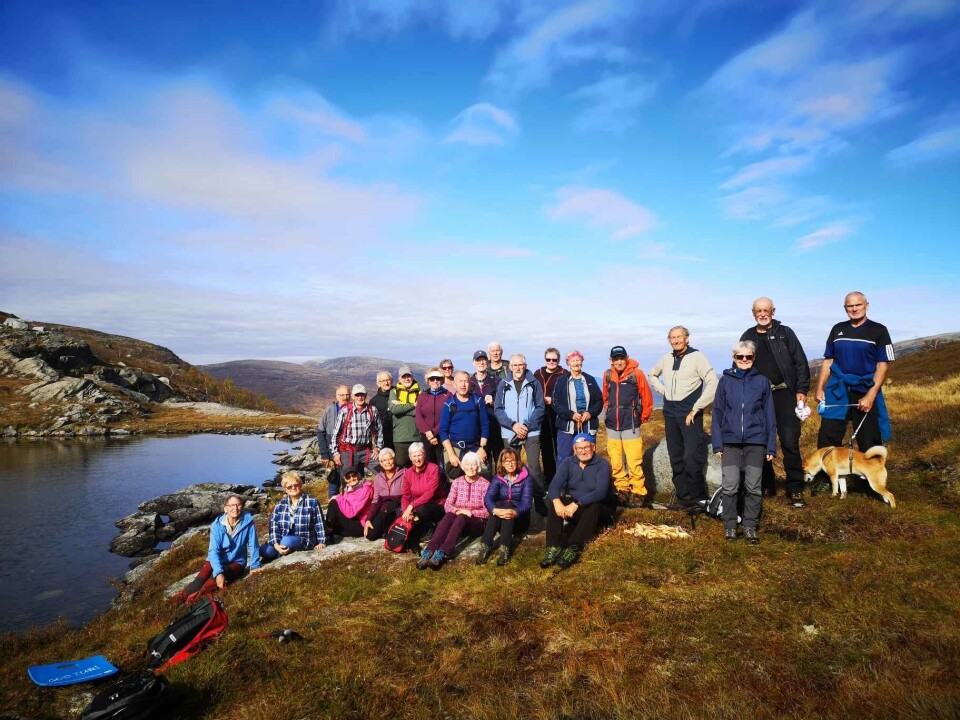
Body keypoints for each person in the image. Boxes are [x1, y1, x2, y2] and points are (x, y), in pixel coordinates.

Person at [740, 297, 811, 507]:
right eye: (758, 311)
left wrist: (801, 390)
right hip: (758, 397)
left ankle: (795, 488)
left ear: (773, 311)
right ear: (753, 313)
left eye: (766, 310)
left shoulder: (785, 333)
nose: (762, 314)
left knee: (789, 440)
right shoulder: (748, 335)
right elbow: (741, 363)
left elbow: (800, 362)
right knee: (759, 442)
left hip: (784, 393)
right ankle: (767, 485)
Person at [711, 341, 777, 545]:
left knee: (753, 487)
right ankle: (730, 526)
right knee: (730, 486)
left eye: (748, 357)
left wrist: (771, 446)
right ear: (734, 358)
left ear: (754, 358)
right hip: (730, 443)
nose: (744, 360)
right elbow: (717, 413)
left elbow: (769, 415)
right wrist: (717, 444)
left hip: (756, 443)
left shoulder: (762, 382)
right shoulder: (725, 381)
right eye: (740, 357)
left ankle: (750, 526)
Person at [648, 327, 718, 513]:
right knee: (675, 456)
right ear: (669, 340)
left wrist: (697, 407)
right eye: (672, 338)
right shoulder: (666, 358)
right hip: (670, 411)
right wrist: (661, 389)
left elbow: (712, 382)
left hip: (690, 412)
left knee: (691, 456)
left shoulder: (697, 357)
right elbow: (652, 374)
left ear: (687, 338)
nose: (676, 340)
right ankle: (683, 499)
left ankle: (699, 499)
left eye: (679, 337)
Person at [815, 291, 894, 452]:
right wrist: (819, 388)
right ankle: (827, 475)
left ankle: (869, 476)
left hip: (864, 389)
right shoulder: (837, 329)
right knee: (828, 435)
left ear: (866, 306)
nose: (854, 308)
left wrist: (871, 395)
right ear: (845, 308)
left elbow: (883, 365)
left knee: (868, 437)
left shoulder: (879, 330)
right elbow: (828, 360)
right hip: (838, 389)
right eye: (850, 306)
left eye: (858, 304)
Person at [540, 433, 614, 570]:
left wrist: (576, 504)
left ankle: (574, 547)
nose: (583, 451)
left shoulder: (602, 464)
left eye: (586, 447)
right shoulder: (568, 463)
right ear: (574, 449)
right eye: (579, 448)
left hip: (600, 511)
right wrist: (557, 502)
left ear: (594, 447)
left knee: (594, 505)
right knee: (555, 500)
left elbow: (600, 492)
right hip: (578, 510)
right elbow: (554, 486)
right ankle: (553, 546)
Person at [177, 494, 261, 602]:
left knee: (210, 584)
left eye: (238, 505)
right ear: (225, 508)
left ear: (242, 507)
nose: (235, 508)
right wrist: (218, 572)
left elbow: (253, 545)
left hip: (237, 562)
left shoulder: (248, 521)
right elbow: (213, 551)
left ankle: (191, 603)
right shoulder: (217, 525)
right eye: (231, 505)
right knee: (198, 582)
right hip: (217, 560)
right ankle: (176, 601)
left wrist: (254, 566)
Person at [416, 452, 490, 570]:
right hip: (459, 521)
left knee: (461, 517)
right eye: (467, 464)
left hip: (477, 523)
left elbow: (487, 511)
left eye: (473, 464)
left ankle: (443, 553)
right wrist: (459, 511)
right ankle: (429, 550)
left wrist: (469, 513)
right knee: (450, 515)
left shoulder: (485, 484)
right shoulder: (457, 482)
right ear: (463, 466)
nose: (470, 467)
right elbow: (447, 505)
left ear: (478, 466)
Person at [601, 345, 654, 509]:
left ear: (626, 358)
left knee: (634, 461)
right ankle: (622, 489)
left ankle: (638, 492)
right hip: (612, 425)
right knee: (616, 461)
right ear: (611, 360)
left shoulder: (636, 374)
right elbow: (605, 397)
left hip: (630, 423)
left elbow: (646, 397)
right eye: (615, 359)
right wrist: (608, 413)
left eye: (621, 358)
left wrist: (642, 417)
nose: (618, 362)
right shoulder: (607, 375)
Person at [494, 354, 547, 514]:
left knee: (534, 467)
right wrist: (513, 425)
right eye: (515, 365)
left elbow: (540, 407)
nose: (518, 368)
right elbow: (498, 409)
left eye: (520, 364)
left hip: (531, 432)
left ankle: (538, 501)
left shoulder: (534, 383)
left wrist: (526, 426)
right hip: (510, 432)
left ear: (525, 365)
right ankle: (513, 499)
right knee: (511, 466)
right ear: (510, 367)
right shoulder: (503, 384)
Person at [475, 448, 533, 566]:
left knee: (507, 504)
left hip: (519, 521)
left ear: (517, 461)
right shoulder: (498, 478)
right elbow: (488, 498)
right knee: (498, 505)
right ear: (502, 463)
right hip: (501, 521)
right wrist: (494, 510)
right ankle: (485, 547)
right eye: (507, 461)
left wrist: (515, 512)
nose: (510, 464)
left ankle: (504, 549)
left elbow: (527, 503)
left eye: (513, 460)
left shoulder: (526, 478)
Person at [259, 472, 326, 562]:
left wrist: (321, 542)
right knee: (264, 551)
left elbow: (319, 523)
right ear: (285, 489)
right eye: (289, 487)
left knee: (287, 541)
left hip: (304, 540)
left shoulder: (312, 502)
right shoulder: (280, 505)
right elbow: (274, 526)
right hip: (282, 539)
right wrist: (276, 545)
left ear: (300, 485)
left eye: (296, 485)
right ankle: (281, 551)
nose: (293, 488)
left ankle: (282, 553)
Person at [552, 350, 603, 462]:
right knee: (564, 457)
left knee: (588, 455)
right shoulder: (561, 380)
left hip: (587, 424)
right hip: (567, 425)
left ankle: (589, 478)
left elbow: (599, 400)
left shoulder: (590, 379)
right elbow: (555, 403)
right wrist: (570, 415)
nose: (575, 363)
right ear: (568, 363)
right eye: (573, 361)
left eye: (578, 360)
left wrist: (590, 413)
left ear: (582, 362)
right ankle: (565, 479)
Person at [441, 370, 490, 473]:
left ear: (470, 383)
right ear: (454, 384)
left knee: (483, 478)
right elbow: (443, 431)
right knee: (455, 482)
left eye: (466, 381)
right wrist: (451, 454)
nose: (463, 385)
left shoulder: (478, 401)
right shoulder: (449, 404)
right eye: (460, 381)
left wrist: (482, 448)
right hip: (455, 449)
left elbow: (485, 425)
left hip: (476, 448)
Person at [401, 442, 447, 552]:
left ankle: (431, 528)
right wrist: (406, 511)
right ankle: (413, 542)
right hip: (417, 507)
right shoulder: (407, 473)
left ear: (424, 455)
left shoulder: (434, 469)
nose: (417, 459)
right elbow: (405, 495)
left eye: (419, 455)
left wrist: (411, 506)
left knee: (423, 510)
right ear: (410, 457)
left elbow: (430, 493)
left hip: (436, 505)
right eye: (414, 456)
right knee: (405, 515)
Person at [330, 384, 383, 478]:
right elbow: (335, 434)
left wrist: (378, 448)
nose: (360, 397)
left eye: (362, 394)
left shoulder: (373, 410)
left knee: (382, 472)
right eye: (357, 395)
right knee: (349, 479)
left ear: (366, 395)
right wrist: (336, 453)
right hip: (348, 451)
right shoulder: (345, 411)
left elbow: (379, 431)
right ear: (353, 396)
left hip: (366, 451)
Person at [534, 347, 567, 487]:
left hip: (558, 414)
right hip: (542, 415)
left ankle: (562, 480)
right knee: (546, 449)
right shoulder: (538, 373)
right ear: (545, 359)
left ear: (558, 360)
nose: (551, 362)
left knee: (560, 449)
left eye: (554, 359)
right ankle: (549, 479)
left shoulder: (564, 373)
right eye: (549, 359)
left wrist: (552, 400)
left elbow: (567, 395)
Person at [364, 448, 406, 541]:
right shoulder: (378, 477)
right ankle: (384, 529)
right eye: (384, 460)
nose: (388, 462)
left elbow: (407, 495)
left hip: (399, 509)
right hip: (384, 509)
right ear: (381, 463)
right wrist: (368, 519)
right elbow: (375, 500)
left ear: (394, 459)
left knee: (394, 535)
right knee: (370, 535)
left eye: (390, 459)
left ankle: (388, 529)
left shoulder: (404, 473)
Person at [469, 350, 503, 464]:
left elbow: (506, 401)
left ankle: (500, 481)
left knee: (499, 460)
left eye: (483, 360)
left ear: (487, 362)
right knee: (482, 461)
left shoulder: (496, 381)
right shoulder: (469, 383)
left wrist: (494, 401)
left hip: (496, 426)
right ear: (473, 363)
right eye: (478, 360)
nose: (481, 362)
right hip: (477, 429)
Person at [317, 385, 350, 499]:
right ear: (336, 396)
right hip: (332, 455)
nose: (345, 397)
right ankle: (333, 507)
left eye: (347, 395)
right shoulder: (329, 410)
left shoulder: (354, 409)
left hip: (348, 453)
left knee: (348, 483)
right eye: (342, 395)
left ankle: (348, 508)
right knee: (334, 483)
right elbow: (320, 432)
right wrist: (325, 454)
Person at [415, 368, 451, 468]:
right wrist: (428, 433)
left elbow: (448, 416)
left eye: (438, 378)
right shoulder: (422, 396)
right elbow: (418, 416)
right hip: (426, 436)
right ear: (428, 381)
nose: (435, 381)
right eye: (432, 379)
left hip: (443, 435)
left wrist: (434, 432)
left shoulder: (448, 395)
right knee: (427, 465)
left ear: (442, 380)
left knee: (443, 465)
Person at [325, 468, 374, 540]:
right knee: (335, 506)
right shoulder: (349, 489)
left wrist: (337, 497)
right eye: (348, 477)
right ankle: (329, 529)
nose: (352, 479)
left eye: (353, 475)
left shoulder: (365, 489)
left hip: (361, 524)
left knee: (333, 503)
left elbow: (352, 513)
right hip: (355, 521)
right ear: (345, 479)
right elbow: (345, 506)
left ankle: (328, 531)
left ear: (358, 475)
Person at [389, 365, 421, 467]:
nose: (407, 379)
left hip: (416, 436)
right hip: (400, 437)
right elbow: (394, 409)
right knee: (400, 465)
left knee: (417, 466)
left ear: (412, 377)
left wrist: (402, 408)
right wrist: (412, 406)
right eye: (404, 377)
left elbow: (421, 411)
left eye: (409, 376)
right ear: (399, 379)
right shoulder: (394, 392)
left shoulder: (420, 392)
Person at [369, 372, 394, 453]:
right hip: (383, 439)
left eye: (388, 380)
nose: (386, 383)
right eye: (383, 381)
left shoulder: (400, 394)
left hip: (400, 437)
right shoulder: (374, 401)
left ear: (392, 381)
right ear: (378, 383)